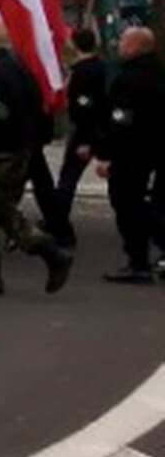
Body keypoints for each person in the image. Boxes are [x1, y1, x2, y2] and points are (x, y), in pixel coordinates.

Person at [0, 21, 74, 295]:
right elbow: (33, 108)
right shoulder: (20, 69)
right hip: (20, 148)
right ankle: (51, 253)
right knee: (4, 210)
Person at [96, 27, 165, 284]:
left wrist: (106, 155)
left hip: (130, 154)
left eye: (124, 41)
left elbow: (121, 122)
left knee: (128, 205)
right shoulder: (156, 72)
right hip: (150, 150)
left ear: (137, 46)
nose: (118, 44)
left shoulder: (130, 79)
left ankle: (138, 261)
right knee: (141, 204)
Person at [50, 29, 106, 248]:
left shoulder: (83, 72)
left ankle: (59, 224)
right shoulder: (97, 67)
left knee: (68, 179)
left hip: (85, 133)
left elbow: (85, 108)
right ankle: (57, 221)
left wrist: (85, 140)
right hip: (91, 131)